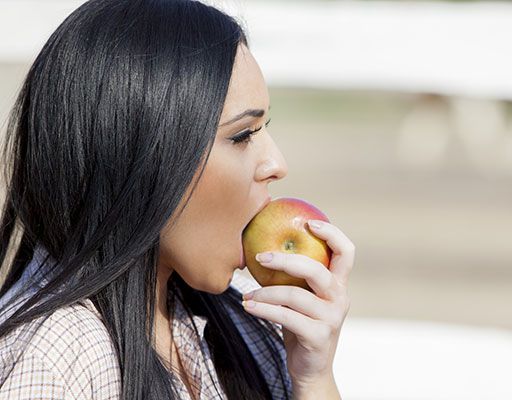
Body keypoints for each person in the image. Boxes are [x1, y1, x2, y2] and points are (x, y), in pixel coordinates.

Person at [0, 0, 355, 399]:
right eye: (242, 135)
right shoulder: (59, 358)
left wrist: (313, 378)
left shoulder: (231, 326)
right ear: (136, 153)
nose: (277, 164)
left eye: (264, 129)